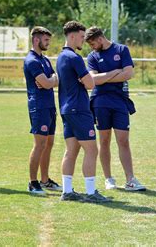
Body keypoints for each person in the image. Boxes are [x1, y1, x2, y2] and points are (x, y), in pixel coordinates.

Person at [84, 26, 146, 191]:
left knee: (123, 141)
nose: (91, 47)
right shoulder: (92, 56)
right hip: (100, 102)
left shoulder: (121, 49)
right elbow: (94, 80)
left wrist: (106, 76)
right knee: (104, 140)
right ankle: (108, 179)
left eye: (92, 43)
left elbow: (129, 74)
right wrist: (115, 72)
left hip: (120, 101)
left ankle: (130, 179)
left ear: (99, 39)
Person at [57, 21, 110, 203]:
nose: (83, 40)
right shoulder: (74, 58)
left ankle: (67, 191)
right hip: (79, 108)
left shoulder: (61, 56)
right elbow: (90, 83)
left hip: (66, 108)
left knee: (71, 150)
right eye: (81, 36)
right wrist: (86, 80)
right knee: (91, 150)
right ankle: (90, 192)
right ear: (72, 36)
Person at [23, 26, 61, 194]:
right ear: (36, 40)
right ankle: (32, 182)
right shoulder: (32, 60)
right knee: (39, 144)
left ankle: (45, 180)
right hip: (38, 106)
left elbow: (55, 79)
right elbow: (46, 83)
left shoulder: (44, 59)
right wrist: (50, 81)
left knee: (49, 143)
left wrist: (50, 80)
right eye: (46, 40)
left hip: (50, 106)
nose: (48, 43)